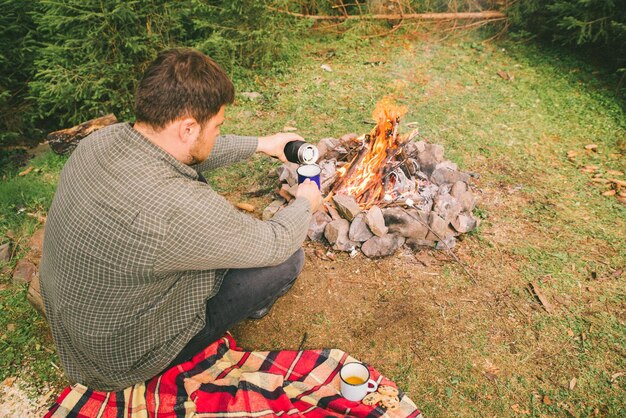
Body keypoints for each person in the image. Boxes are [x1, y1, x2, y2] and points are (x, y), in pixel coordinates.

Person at [39, 48, 322, 392]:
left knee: (201, 199)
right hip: (120, 358)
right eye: (217, 126)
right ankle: (251, 309)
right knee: (287, 260)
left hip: (79, 326)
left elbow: (189, 153)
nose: (218, 133)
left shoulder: (102, 140)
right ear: (188, 127)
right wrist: (306, 202)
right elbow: (274, 241)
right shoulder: (176, 208)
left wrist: (263, 144)